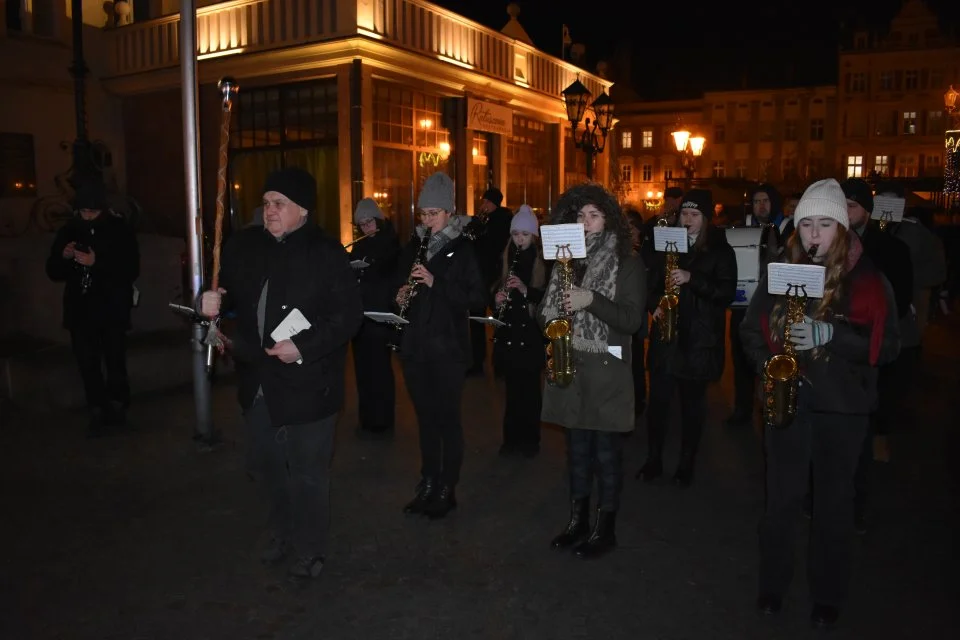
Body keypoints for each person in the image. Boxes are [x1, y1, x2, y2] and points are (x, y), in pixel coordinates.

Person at [740, 178, 899, 627]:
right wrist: (769, 369)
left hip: (841, 409)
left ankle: (827, 594)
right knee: (780, 503)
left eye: (824, 224)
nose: (813, 234)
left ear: (841, 227)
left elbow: (889, 346)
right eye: (806, 224)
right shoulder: (780, 268)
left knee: (833, 505)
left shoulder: (868, 278)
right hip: (788, 402)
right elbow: (751, 329)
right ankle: (772, 588)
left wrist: (833, 334)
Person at [199, 167, 363, 582]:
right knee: (267, 468)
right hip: (258, 382)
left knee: (308, 474)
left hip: (309, 385)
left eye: (279, 204)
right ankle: (281, 533)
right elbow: (232, 296)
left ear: (302, 209)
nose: (269, 211)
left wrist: (303, 347)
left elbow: (346, 318)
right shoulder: (248, 247)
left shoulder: (326, 254)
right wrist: (213, 301)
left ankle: (311, 548)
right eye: (267, 203)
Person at [540, 183, 646, 559]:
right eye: (581, 215)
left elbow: (632, 320)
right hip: (573, 366)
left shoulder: (627, 262)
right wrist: (551, 314)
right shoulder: (566, 260)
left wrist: (591, 300)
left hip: (607, 369)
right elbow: (545, 314)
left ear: (609, 220)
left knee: (606, 454)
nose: (586, 222)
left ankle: (606, 526)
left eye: (594, 215)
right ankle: (577, 521)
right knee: (577, 451)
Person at [394, 173, 486, 519]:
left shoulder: (463, 250)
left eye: (434, 213)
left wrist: (436, 281)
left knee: (447, 420)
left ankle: (448, 486)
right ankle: (429, 480)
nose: (428, 220)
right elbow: (402, 284)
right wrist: (401, 295)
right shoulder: (414, 246)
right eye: (424, 213)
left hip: (447, 350)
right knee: (426, 420)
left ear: (450, 212)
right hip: (416, 347)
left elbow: (477, 299)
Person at [637, 189, 737, 487]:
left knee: (692, 407)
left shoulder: (721, 249)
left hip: (698, 340)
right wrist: (654, 305)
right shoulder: (668, 243)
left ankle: (686, 463)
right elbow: (650, 283)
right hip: (666, 337)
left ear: (706, 218)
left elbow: (726, 293)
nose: (689, 220)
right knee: (658, 404)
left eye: (695, 215)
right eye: (685, 214)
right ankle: (653, 459)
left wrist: (693, 280)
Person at [46, 179, 140, 436]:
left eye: (92, 212)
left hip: (111, 308)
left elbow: (130, 268)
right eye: (83, 212)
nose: (87, 217)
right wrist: (63, 258)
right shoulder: (70, 230)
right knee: (87, 362)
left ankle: (118, 405)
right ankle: (97, 408)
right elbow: (53, 270)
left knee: (114, 360)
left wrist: (97, 261)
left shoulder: (119, 229)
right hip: (81, 309)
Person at [492, 205, 546, 458]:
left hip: (531, 335)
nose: (520, 239)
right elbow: (493, 287)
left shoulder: (542, 260)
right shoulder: (506, 257)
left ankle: (530, 440)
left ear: (533, 235)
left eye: (525, 234)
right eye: (516, 234)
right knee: (512, 393)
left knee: (530, 393)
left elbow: (547, 296)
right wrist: (498, 298)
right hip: (510, 335)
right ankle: (510, 440)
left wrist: (526, 291)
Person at [726, 183, 783, 428]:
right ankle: (742, 410)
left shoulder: (784, 229)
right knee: (741, 360)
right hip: (743, 307)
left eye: (766, 201)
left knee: (768, 360)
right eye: (757, 201)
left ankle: (771, 409)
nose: (762, 206)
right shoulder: (741, 227)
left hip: (772, 309)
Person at [348, 198, 400, 437]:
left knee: (379, 367)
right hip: (361, 314)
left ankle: (383, 419)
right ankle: (367, 417)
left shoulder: (390, 243)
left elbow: (392, 277)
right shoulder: (359, 245)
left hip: (380, 313)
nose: (367, 227)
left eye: (370, 222)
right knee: (363, 368)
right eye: (363, 224)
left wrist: (370, 269)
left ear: (378, 220)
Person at [465, 187, 513, 376]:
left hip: (493, 277)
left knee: (499, 320)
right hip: (478, 276)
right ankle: (478, 363)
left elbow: (493, 246)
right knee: (476, 321)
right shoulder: (480, 221)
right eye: (483, 201)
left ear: (494, 203)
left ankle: (501, 363)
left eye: (486, 202)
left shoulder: (502, 221)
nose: (483, 205)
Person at [625, 207, 649, 417]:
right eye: (627, 225)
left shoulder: (644, 252)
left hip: (636, 314)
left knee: (637, 358)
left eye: (633, 226)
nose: (630, 230)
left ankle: (639, 398)